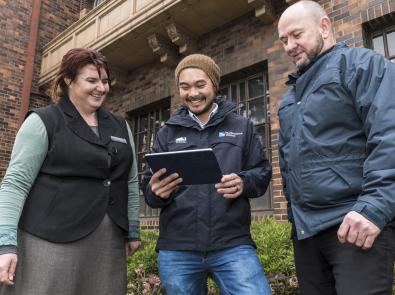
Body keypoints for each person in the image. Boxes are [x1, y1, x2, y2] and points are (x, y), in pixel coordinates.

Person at [0, 48, 141, 294]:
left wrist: (133, 229)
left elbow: (130, 180)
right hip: (48, 236)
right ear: (69, 80)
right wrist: (6, 244)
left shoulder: (121, 126)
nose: (101, 87)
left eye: (105, 81)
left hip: (107, 240)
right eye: (92, 80)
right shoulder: (44, 121)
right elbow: (15, 183)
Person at [277, 1, 395, 294]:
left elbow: (390, 135)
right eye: (283, 40)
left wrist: (374, 208)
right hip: (306, 234)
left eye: (296, 35)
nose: (289, 46)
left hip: (355, 224)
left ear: (325, 27)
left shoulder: (362, 65)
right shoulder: (289, 99)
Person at [142, 53, 272, 295]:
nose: (193, 93)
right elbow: (149, 188)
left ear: (214, 83)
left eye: (200, 84)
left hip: (231, 244)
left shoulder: (241, 127)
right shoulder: (167, 133)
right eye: (185, 86)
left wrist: (244, 182)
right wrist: (155, 192)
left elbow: (262, 173)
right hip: (178, 248)